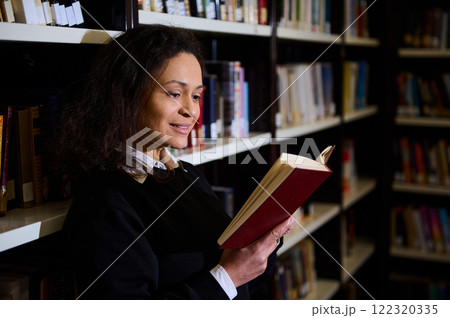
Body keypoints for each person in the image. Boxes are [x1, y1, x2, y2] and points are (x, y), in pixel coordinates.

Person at [59, 24, 294, 300]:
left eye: (195, 96)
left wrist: (262, 241)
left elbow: (241, 279)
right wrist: (228, 277)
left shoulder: (188, 175)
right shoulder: (106, 203)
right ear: (128, 95)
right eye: (174, 93)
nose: (191, 110)